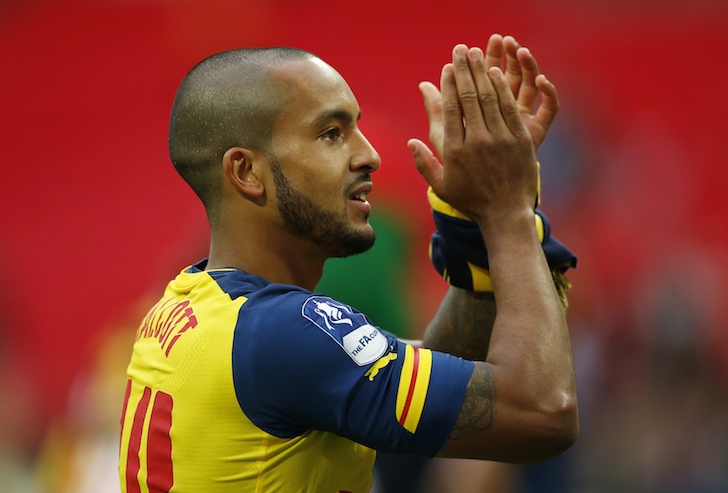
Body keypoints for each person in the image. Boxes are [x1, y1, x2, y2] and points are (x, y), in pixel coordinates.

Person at [118, 34, 578, 492]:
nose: (370, 155)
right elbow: (544, 411)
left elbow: (440, 371)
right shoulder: (281, 333)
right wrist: (507, 211)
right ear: (246, 172)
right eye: (331, 134)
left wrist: (476, 233)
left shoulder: (194, 309)